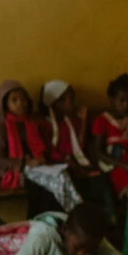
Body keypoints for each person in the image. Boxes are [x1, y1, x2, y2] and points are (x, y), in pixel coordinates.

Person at [0, 80, 82, 215]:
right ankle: (51, 219)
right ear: (5, 105)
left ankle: (74, 216)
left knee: (63, 175)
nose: (20, 103)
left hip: (37, 167)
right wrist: (25, 162)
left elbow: (42, 149)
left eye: (23, 99)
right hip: (15, 172)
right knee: (48, 187)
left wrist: (41, 160)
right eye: (14, 100)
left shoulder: (31, 123)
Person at [40, 79, 117, 226]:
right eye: (70, 100)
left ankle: (110, 221)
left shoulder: (70, 121)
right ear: (57, 102)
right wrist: (66, 161)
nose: (74, 103)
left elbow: (79, 146)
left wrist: (83, 121)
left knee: (101, 179)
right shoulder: (46, 125)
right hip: (62, 169)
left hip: (77, 165)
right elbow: (49, 151)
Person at [0, 203, 124, 255]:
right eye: (77, 247)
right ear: (64, 229)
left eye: (90, 250)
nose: (82, 254)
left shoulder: (88, 237)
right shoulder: (43, 237)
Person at [92, 73, 128, 199]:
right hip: (113, 165)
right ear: (111, 99)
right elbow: (97, 152)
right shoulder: (102, 120)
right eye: (122, 100)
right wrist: (122, 165)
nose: (126, 105)